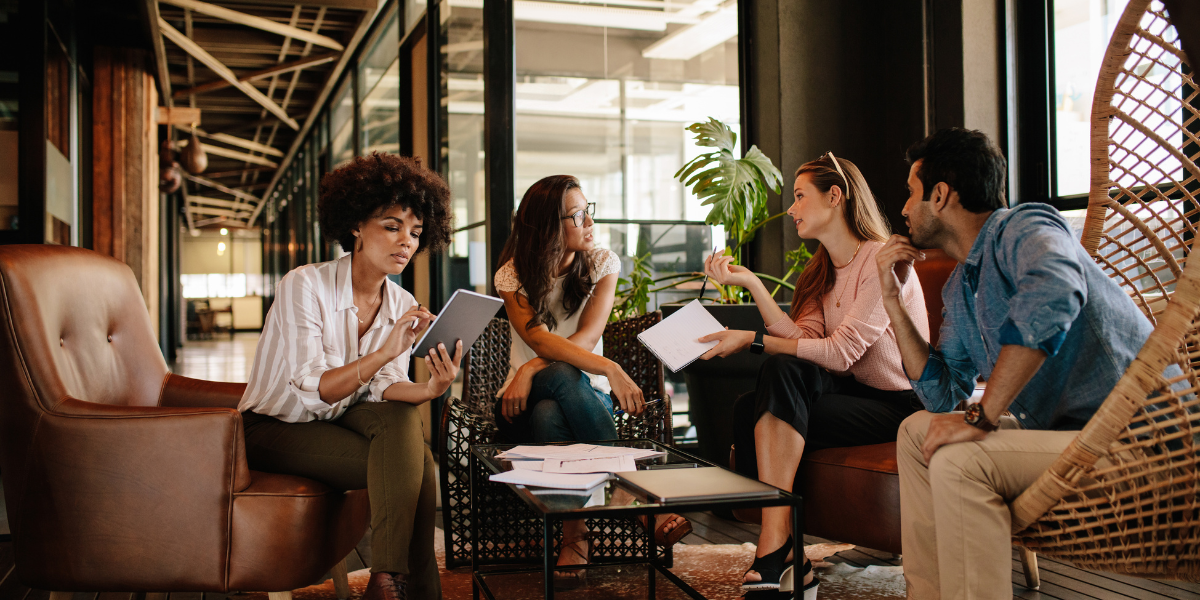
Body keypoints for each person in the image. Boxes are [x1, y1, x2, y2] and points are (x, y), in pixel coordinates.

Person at [874, 128, 1155, 599]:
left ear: (940, 195)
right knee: (916, 431)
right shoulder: (961, 288)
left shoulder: (1022, 227)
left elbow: (1054, 289)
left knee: (962, 462)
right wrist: (891, 302)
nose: (903, 208)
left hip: (1141, 436)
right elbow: (944, 395)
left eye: (911, 192)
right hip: (1071, 436)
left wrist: (982, 417)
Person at [700, 153, 929, 600]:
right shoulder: (820, 268)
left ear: (836, 196)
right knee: (758, 397)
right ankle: (785, 548)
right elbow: (803, 341)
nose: (792, 208)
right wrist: (752, 284)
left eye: (801, 197)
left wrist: (752, 340)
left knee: (770, 379)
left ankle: (778, 547)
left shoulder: (882, 260)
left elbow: (841, 354)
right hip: (851, 395)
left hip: (897, 404)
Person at [238, 153, 457, 600]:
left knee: (401, 420)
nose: (406, 242)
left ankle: (386, 580)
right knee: (419, 468)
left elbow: (385, 389)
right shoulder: (304, 285)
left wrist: (430, 388)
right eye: (392, 226)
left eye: (416, 232)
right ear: (357, 224)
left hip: (342, 417)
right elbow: (312, 387)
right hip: (275, 428)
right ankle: (406, 589)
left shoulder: (400, 302)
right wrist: (382, 353)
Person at [492, 174, 692, 585]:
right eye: (576, 215)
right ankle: (636, 500)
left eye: (588, 210)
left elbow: (586, 337)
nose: (589, 222)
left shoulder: (603, 263)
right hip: (519, 401)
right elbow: (537, 338)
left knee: (552, 414)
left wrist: (533, 365)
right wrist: (609, 368)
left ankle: (575, 535)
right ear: (548, 226)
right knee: (552, 389)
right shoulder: (511, 275)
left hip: (577, 395)